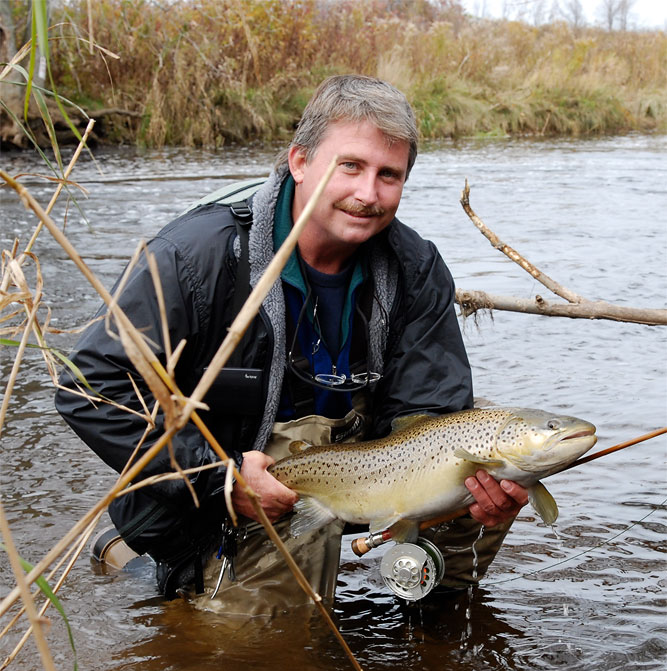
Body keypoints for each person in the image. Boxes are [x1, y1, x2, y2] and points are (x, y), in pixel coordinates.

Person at [55, 74, 527, 615]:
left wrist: (475, 488)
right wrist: (220, 478)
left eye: (388, 175)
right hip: (221, 491)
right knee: (258, 656)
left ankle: (430, 618)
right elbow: (89, 385)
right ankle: (144, 565)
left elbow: (432, 411)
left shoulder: (415, 267)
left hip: (366, 471)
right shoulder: (194, 257)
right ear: (299, 162)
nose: (367, 194)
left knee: (489, 439)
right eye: (349, 166)